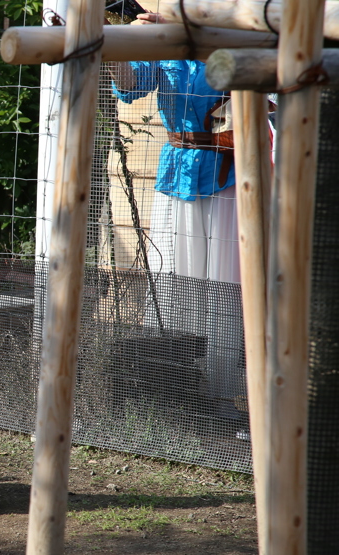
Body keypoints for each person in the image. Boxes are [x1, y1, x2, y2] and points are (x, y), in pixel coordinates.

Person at [109, 12, 245, 410]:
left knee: (222, 282)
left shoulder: (235, 27)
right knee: (173, 277)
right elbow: (131, 85)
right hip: (175, 168)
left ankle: (221, 391)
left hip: (226, 171)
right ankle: (170, 383)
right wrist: (124, 42)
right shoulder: (161, 36)